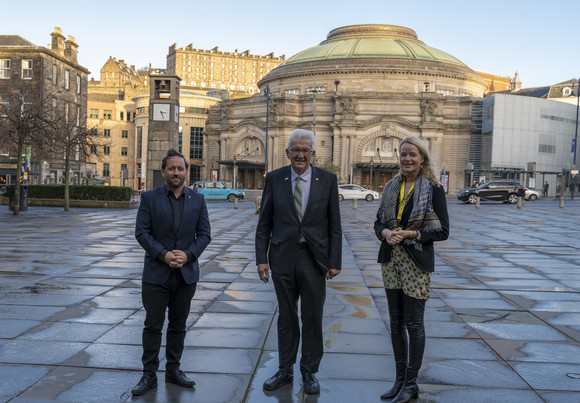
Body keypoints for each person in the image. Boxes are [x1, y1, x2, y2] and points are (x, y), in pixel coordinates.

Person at [255, 129, 342, 395]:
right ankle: (284, 369)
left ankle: (310, 372)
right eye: (296, 150)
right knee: (286, 317)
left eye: (306, 150)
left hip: (314, 259)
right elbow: (264, 224)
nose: (300, 155)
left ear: (313, 153)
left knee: (313, 317)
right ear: (288, 152)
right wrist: (261, 259)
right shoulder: (274, 179)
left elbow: (335, 226)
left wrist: (335, 261)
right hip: (282, 258)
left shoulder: (327, 180)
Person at [374, 136, 449, 403]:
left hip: (416, 262)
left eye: (413, 155)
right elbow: (378, 223)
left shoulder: (433, 188)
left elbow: (443, 232)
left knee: (414, 323)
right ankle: (398, 380)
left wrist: (411, 234)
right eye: (403, 154)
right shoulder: (391, 186)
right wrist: (385, 232)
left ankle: (411, 383)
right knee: (395, 323)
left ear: (422, 159)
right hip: (391, 260)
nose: (407, 159)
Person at [132, 149, 211, 396]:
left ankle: (174, 370)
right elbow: (142, 232)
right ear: (164, 171)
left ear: (186, 171)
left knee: (178, 326)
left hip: (185, 275)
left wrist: (187, 255)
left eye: (180, 168)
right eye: (171, 168)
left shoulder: (197, 200)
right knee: (153, 326)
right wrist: (163, 254)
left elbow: (205, 234)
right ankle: (148, 375)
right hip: (156, 274)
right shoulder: (149, 198)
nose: (176, 172)